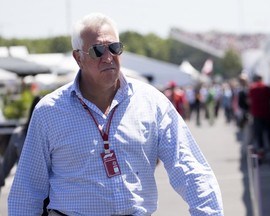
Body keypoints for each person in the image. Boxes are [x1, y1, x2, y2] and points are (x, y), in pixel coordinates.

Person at [8, 12, 224, 216]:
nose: (108, 57)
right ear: (78, 58)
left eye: (114, 47)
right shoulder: (49, 112)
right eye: (97, 51)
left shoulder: (152, 102)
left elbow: (190, 169)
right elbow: (27, 190)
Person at [248, 74, 270, 152]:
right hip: (267, 113)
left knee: (259, 133)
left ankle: (261, 150)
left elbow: (250, 100)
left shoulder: (252, 89)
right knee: (269, 132)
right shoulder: (267, 88)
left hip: (257, 114)